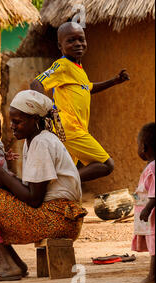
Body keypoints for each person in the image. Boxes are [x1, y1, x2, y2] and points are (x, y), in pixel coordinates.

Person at [0, 90, 87, 283]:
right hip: (57, 214)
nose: (11, 127)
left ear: (35, 119)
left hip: (58, 217)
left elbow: (34, 199)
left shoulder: (42, 143)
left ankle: (7, 264)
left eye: (17, 122)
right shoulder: (34, 141)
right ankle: (14, 263)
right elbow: (30, 190)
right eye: (11, 121)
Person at [30, 22, 130, 182]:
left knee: (65, 169)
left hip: (74, 128)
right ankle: (64, 181)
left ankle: (55, 194)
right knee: (106, 164)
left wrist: (114, 81)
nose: (78, 44)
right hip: (69, 127)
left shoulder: (78, 68)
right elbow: (37, 83)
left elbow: (88, 88)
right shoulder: (62, 65)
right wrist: (45, 113)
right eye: (71, 40)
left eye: (81, 39)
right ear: (60, 45)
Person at [131, 122, 155, 283]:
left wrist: (147, 209)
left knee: (155, 248)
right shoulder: (151, 166)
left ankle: (153, 276)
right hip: (150, 217)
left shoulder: (153, 167)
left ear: (144, 147)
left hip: (153, 218)